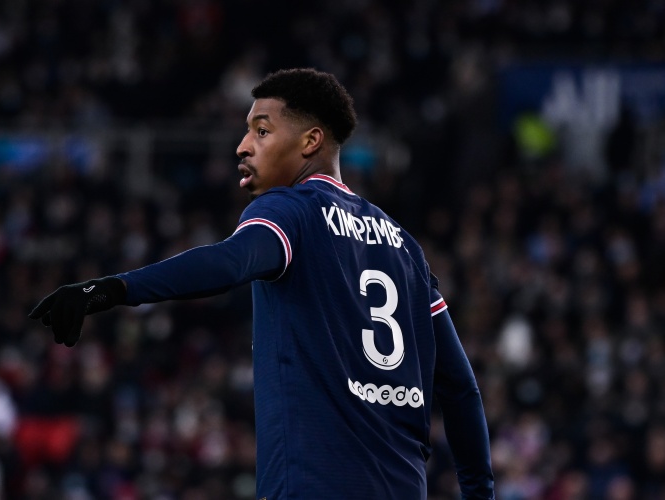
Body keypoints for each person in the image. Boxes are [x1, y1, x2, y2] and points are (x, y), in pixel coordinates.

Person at [29, 68, 495, 499]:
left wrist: (110, 289)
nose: (243, 146)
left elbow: (230, 261)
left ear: (310, 141)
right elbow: (460, 390)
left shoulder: (291, 210)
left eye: (262, 131)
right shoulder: (406, 249)